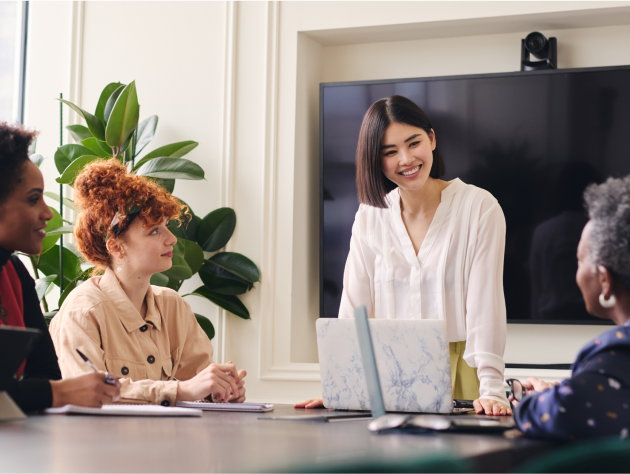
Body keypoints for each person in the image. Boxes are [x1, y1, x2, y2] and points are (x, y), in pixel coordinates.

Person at [297, 95, 510, 415]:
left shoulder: (479, 207)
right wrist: (341, 384)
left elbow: (486, 307)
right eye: (390, 152)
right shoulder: (369, 216)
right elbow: (354, 308)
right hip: (387, 374)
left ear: (432, 139)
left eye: (414, 143)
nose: (406, 159)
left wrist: (492, 390)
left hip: (463, 374)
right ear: (375, 160)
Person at [50, 158, 246, 406]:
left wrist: (222, 389)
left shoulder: (173, 306)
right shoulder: (83, 311)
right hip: (98, 443)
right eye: (155, 231)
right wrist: (178, 390)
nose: (172, 239)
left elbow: (199, 382)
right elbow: (86, 393)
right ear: (116, 247)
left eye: (166, 226)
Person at [0, 122, 121, 412]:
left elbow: (45, 374)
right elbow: (51, 386)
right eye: (33, 199)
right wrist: (58, 392)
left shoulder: (16, 274)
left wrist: (52, 390)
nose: (47, 212)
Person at [513, 176, 630, 439]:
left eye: (580, 259)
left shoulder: (617, 353)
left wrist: (530, 401)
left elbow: (561, 411)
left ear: (604, 278)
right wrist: (566, 388)